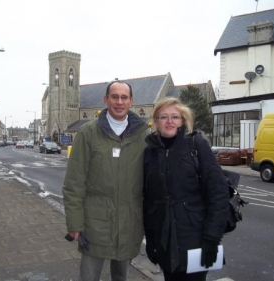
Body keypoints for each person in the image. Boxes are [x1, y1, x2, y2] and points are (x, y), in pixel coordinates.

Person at [63, 80, 150, 281]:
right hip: (95, 225)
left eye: (124, 97)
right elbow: (74, 183)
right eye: (114, 97)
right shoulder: (88, 133)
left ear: (131, 101)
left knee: (121, 277)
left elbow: (151, 183)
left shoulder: (144, 135)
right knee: (89, 277)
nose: (119, 102)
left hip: (129, 225)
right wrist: (74, 223)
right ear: (106, 100)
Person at [143, 97, 230, 281]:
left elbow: (218, 192)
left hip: (195, 238)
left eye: (175, 116)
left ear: (183, 120)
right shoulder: (150, 152)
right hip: (165, 240)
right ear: (156, 121)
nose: (169, 121)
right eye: (163, 116)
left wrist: (212, 238)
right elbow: (149, 200)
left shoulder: (196, 145)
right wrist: (151, 240)